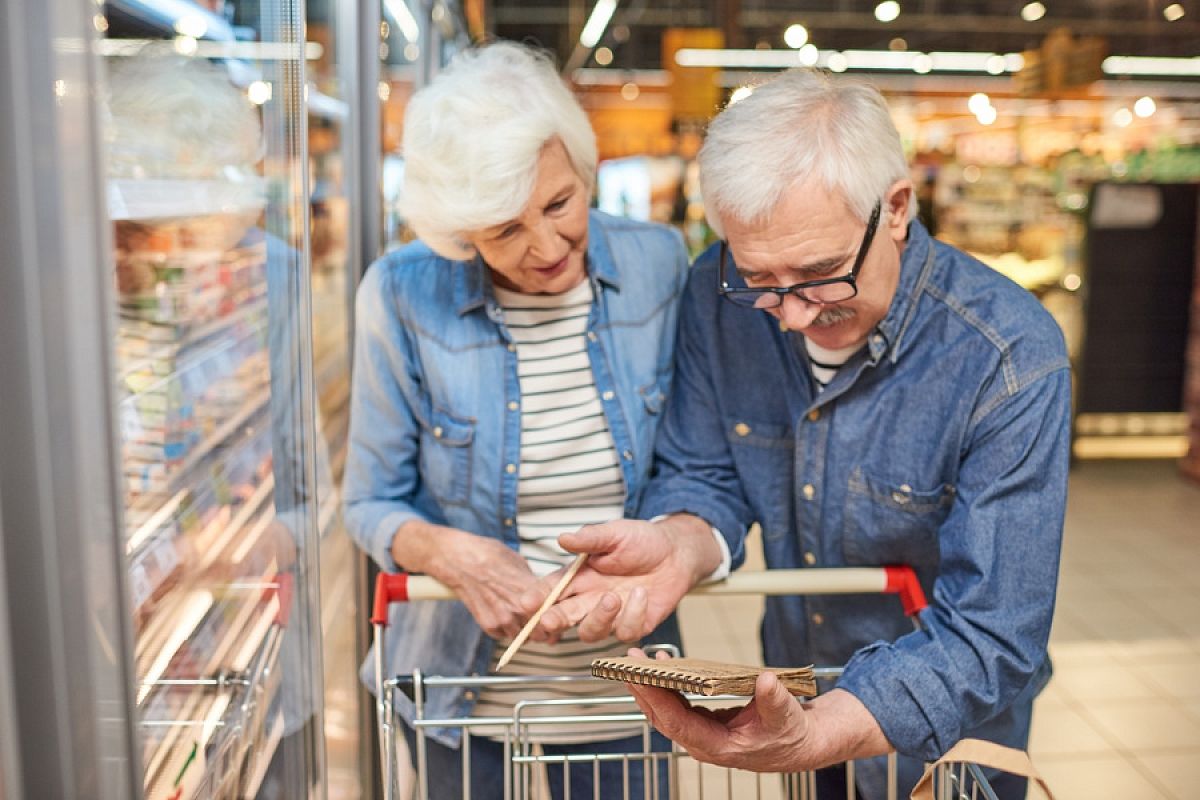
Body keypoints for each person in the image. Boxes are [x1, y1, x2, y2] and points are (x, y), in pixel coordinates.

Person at [522, 68, 1071, 799]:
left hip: (952, 747)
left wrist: (820, 732)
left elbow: (995, 635)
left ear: (898, 207)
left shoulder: (1007, 356)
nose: (792, 317)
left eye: (821, 276)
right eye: (759, 280)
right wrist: (680, 542)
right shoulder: (716, 298)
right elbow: (705, 472)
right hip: (794, 695)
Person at [342, 41, 692, 799]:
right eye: (503, 232)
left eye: (560, 204)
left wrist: (666, 545)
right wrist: (449, 554)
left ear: (583, 165)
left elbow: (697, 467)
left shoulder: (661, 266)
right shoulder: (400, 294)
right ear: (461, 234)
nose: (546, 248)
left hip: (627, 689)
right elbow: (369, 502)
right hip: (457, 697)